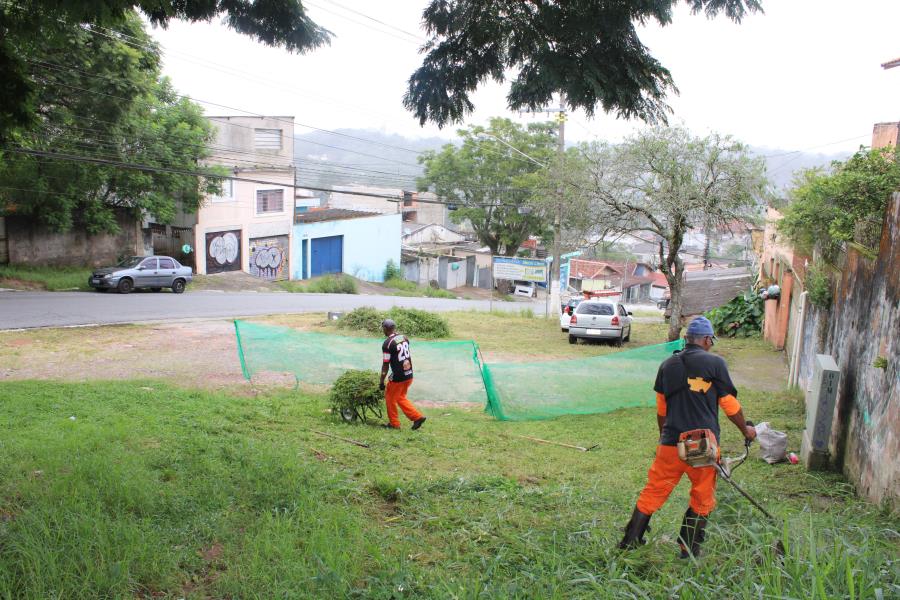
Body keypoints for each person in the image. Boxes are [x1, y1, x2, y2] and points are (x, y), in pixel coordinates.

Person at [618, 316, 756, 558]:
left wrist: (665, 439)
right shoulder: (715, 364)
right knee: (702, 496)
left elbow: (662, 410)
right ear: (704, 340)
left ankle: (630, 543)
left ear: (686, 340)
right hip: (702, 445)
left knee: (653, 492)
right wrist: (746, 430)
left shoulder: (667, 366)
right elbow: (730, 405)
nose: (711, 344)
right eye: (710, 340)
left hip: (671, 443)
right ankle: (688, 550)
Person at [379, 319, 426, 431]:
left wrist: (381, 381)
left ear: (385, 329)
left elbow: (385, 365)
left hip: (398, 377)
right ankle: (417, 417)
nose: (383, 330)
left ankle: (394, 424)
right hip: (409, 374)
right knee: (400, 397)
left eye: (383, 328)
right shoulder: (404, 338)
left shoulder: (387, 344)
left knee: (390, 398)